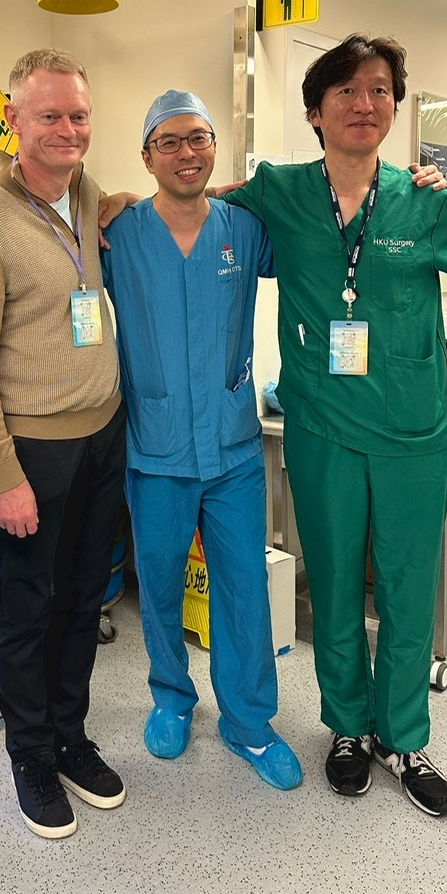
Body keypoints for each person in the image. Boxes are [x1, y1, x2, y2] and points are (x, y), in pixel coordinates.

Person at [227, 34, 447, 817]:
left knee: (409, 589)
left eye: (380, 89)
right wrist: (105, 202)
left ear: (394, 108)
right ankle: (347, 728)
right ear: (316, 111)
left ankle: (402, 737)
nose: (364, 103)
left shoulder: (425, 199)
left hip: (412, 427)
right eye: (345, 90)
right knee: (337, 582)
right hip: (322, 426)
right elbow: (193, 203)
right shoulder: (280, 190)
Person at [0, 48, 127, 841]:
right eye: (49, 115)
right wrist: (4, 474)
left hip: (102, 435)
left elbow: (117, 206)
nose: (68, 129)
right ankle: (31, 755)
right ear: (13, 122)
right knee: (28, 605)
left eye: (78, 115)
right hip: (34, 449)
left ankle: (70, 734)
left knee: (85, 596)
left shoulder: (84, 194)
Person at [101, 90, 302, 790]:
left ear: (215, 147)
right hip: (155, 447)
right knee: (157, 583)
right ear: (147, 155)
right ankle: (171, 697)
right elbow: (48, 226)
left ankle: (249, 721)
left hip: (233, 447)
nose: (186, 153)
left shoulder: (244, 228)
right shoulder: (119, 233)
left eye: (198, 139)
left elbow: (313, 224)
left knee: (243, 585)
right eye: (170, 142)